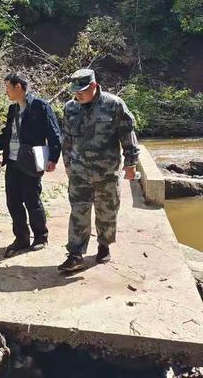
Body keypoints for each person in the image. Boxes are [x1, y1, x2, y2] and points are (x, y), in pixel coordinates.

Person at [58, 69, 140, 272]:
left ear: (94, 86)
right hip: (79, 173)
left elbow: (127, 134)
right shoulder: (70, 108)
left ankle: (104, 245)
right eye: (75, 90)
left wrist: (130, 164)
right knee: (78, 212)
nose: (78, 94)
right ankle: (75, 254)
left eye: (82, 90)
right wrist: (68, 165)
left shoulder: (113, 105)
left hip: (106, 173)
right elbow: (67, 140)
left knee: (107, 213)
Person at [0, 73, 61, 257]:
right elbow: (6, 135)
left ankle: (41, 237)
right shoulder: (13, 109)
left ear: (18, 87)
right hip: (13, 162)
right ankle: (21, 238)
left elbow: (54, 133)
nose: (6, 92)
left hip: (31, 161)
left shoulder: (40, 106)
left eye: (8, 88)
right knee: (13, 201)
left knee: (31, 200)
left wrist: (53, 158)